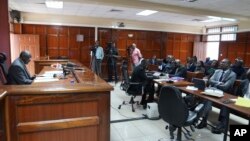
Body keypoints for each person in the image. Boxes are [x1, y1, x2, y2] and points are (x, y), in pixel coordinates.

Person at [197, 58, 236, 130]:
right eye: (221, 62)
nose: (221, 63)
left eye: (224, 63)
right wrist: (219, 83)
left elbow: (225, 87)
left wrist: (215, 83)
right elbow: (210, 80)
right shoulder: (217, 71)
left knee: (226, 103)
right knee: (207, 99)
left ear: (229, 65)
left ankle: (222, 124)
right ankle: (204, 120)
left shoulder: (232, 74)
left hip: (224, 94)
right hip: (213, 91)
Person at [211, 68, 250, 134]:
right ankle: (222, 125)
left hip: (247, 103)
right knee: (226, 103)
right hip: (244, 101)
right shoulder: (245, 82)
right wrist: (234, 100)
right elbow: (238, 95)